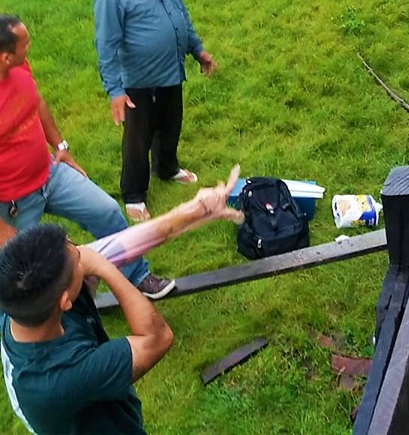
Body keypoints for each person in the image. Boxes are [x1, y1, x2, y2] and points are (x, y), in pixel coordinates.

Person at [0, 169, 244, 435]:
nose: (84, 254)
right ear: (65, 302)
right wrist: (106, 270)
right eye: (78, 260)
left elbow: (120, 246)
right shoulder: (64, 376)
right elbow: (157, 338)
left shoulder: (23, 297)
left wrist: (197, 210)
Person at [0, 13, 173, 300]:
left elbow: (36, 101)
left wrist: (60, 146)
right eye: (25, 43)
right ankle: (30, 337)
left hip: (49, 173)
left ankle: (137, 277)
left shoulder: (17, 68)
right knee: (22, 279)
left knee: (106, 211)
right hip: (12, 203)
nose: (30, 46)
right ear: (6, 56)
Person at [94, 0, 218, 222]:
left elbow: (181, 17)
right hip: (138, 82)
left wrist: (197, 50)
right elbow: (106, 46)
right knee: (138, 138)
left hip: (170, 72)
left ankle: (167, 168)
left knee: (170, 124)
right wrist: (115, 91)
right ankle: (134, 195)